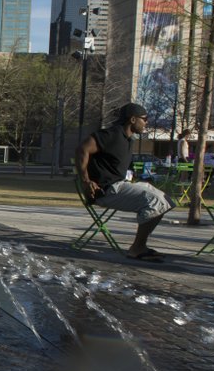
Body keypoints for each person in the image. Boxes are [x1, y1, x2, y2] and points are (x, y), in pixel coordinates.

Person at [76, 102, 177, 262]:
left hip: (120, 185)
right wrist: (86, 181)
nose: (146, 122)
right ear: (132, 119)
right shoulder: (112, 134)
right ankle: (137, 248)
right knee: (153, 200)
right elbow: (83, 149)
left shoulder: (128, 140)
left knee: (166, 200)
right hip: (106, 190)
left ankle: (141, 246)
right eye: (144, 119)